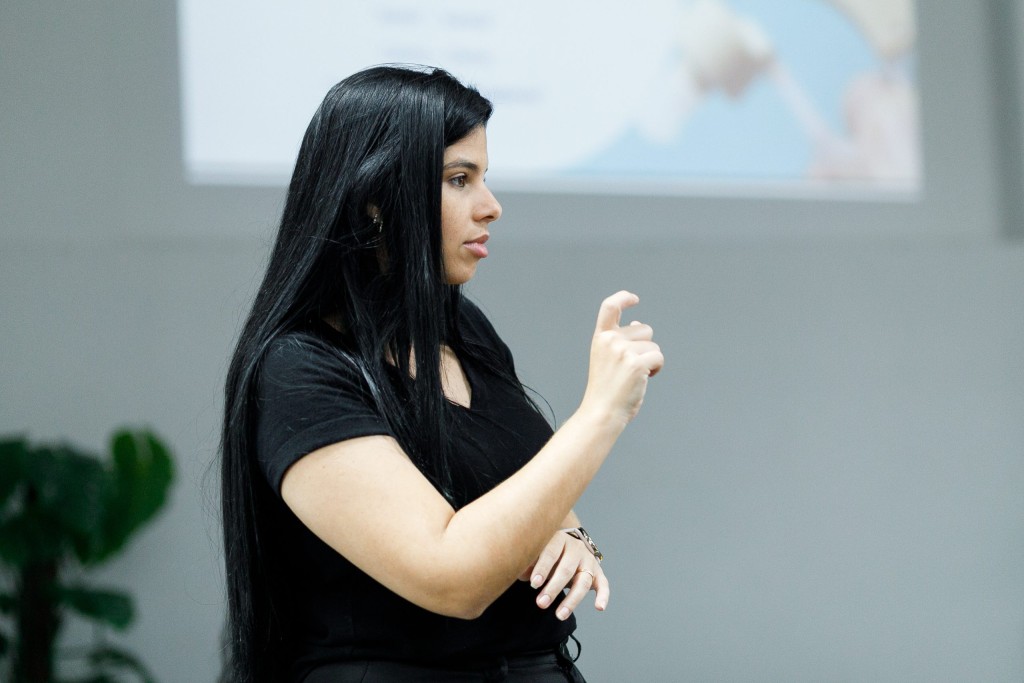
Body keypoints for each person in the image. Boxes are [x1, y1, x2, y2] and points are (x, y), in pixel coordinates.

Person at [220, 65, 663, 683]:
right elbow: (452, 577)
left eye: (484, 177)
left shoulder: (462, 329)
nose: (492, 207)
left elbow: (519, 481)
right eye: (460, 179)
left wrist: (571, 535)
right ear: (375, 200)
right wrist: (602, 413)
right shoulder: (300, 370)